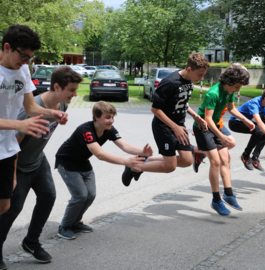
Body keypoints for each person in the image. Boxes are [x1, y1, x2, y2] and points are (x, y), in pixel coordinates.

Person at [0, 66, 82, 267]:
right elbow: (14, 145)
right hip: (18, 162)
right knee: (13, 208)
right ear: (57, 86)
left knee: (48, 197)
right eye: (71, 90)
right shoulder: (30, 109)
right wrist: (13, 176)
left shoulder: (61, 106)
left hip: (37, 159)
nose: (75, 94)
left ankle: (31, 242)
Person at [55, 101, 152, 240]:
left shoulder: (109, 129)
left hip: (83, 162)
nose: (111, 120)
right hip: (67, 163)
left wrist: (143, 151)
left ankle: (75, 223)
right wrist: (126, 162)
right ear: (96, 117)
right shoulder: (85, 130)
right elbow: (100, 154)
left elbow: (124, 146)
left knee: (91, 195)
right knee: (80, 196)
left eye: (112, 117)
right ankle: (64, 227)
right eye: (107, 117)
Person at [0, 25, 67, 216]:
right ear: (7, 47)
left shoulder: (23, 70)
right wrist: (19, 125)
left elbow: (30, 108)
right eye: (23, 56)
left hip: (6, 149)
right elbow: (21, 120)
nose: (26, 61)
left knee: (5, 205)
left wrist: (52, 113)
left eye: (30, 57)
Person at [121, 53, 209, 184]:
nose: (201, 78)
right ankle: (134, 167)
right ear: (189, 70)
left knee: (187, 161)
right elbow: (155, 109)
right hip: (164, 127)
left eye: (203, 75)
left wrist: (195, 116)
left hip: (179, 125)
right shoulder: (170, 82)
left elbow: (183, 102)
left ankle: (138, 161)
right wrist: (175, 127)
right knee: (170, 167)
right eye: (200, 74)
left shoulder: (189, 81)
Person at [193, 64, 255, 216]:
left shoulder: (229, 91)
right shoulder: (212, 94)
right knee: (216, 161)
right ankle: (216, 200)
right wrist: (220, 136)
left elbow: (232, 109)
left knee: (226, 158)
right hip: (204, 127)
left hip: (217, 125)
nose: (238, 90)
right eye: (237, 86)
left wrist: (245, 120)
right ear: (230, 81)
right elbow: (207, 119)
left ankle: (228, 194)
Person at [229, 87, 265, 172]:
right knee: (259, 131)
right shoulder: (254, 103)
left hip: (246, 122)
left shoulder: (264, 105)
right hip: (235, 123)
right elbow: (260, 123)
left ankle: (255, 158)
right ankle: (245, 155)